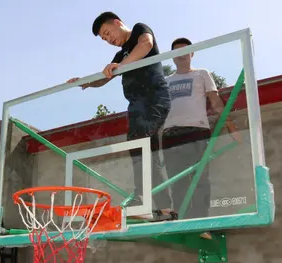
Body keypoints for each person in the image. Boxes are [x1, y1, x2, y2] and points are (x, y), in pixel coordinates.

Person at [67, 12, 171, 213]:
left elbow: (146, 45)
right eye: (104, 39)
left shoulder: (140, 30)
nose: (109, 40)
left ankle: (141, 199)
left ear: (117, 22)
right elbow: (105, 78)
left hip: (154, 99)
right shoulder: (120, 55)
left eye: (108, 33)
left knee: (137, 143)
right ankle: (165, 207)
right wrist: (85, 82)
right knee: (149, 153)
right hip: (136, 107)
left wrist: (121, 66)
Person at [161, 37, 241, 223]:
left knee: (199, 179)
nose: (180, 55)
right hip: (171, 134)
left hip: (195, 132)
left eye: (184, 50)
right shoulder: (166, 81)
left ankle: (200, 222)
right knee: (177, 181)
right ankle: (181, 222)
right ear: (172, 57)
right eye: (176, 52)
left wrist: (231, 127)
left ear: (192, 53)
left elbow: (215, 102)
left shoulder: (201, 74)